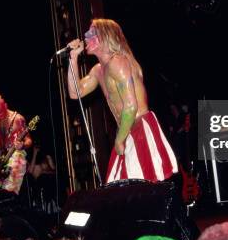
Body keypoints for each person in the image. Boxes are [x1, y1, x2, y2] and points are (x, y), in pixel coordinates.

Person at [66, 18, 178, 182]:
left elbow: (131, 106)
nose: (85, 36)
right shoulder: (98, 70)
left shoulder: (117, 62)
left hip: (139, 126)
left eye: (91, 33)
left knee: (135, 187)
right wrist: (73, 59)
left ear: (105, 36)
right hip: (126, 130)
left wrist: (119, 140)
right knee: (122, 188)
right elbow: (75, 92)